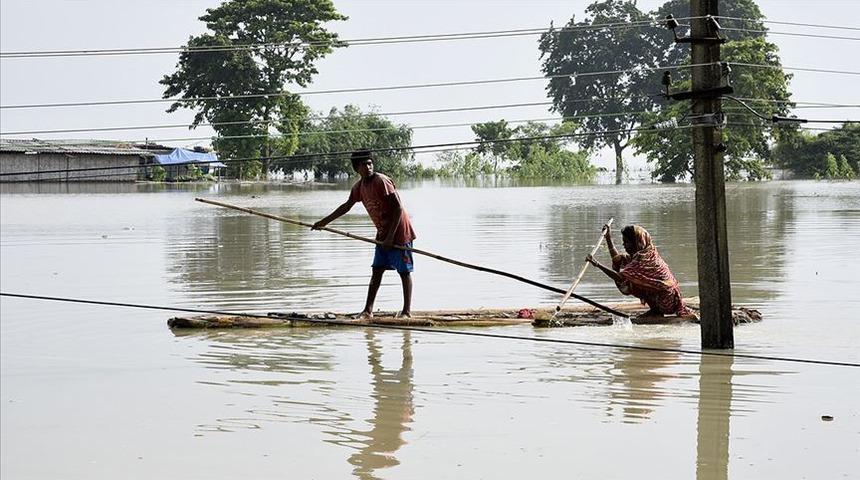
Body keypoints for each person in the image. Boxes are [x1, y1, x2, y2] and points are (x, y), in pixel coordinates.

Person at [312, 150, 416, 318]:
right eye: (364, 165)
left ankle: (406, 312)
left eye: (370, 163)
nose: (368, 167)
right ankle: (368, 310)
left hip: (399, 233)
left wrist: (391, 237)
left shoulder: (381, 181)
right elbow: (346, 206)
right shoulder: (359, 188)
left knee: (404, 272)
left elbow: (398, 208)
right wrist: (324, 222)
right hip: (382, 234)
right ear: (356, 169)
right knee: (377, 270)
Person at [586, 224, 690, 318]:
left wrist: (597, 264)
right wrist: (608, 238)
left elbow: (620, 277)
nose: (624, 245)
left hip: (667, 302)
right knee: (634, 280)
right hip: (664, 298)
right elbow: (617, 259)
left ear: (637, 242)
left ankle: (657, 310)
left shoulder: (643, 258)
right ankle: (655, 310)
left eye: (627, 242)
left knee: (630, 282)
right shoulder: (642, 254)